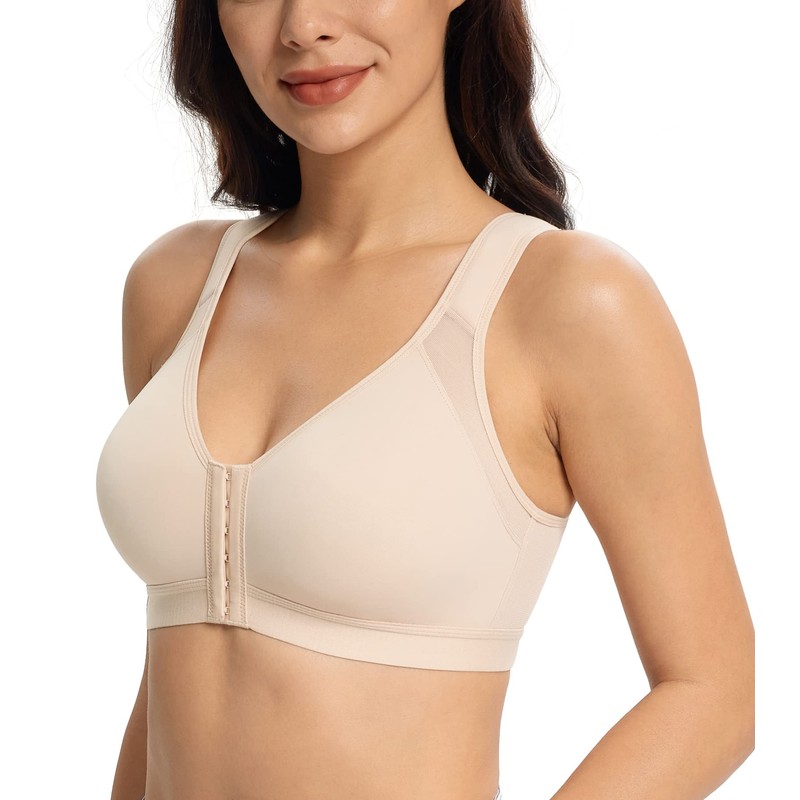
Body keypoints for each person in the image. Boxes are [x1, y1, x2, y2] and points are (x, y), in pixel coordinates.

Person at [95, 0, 754, 798]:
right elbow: (182, 666)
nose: (303, 25)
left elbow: (711, 695)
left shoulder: (563, 302)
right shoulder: (176, 286)